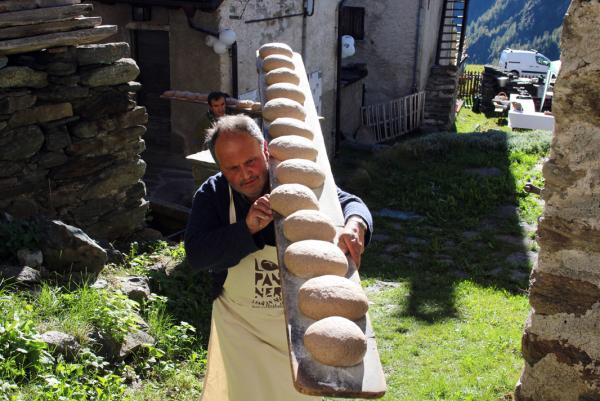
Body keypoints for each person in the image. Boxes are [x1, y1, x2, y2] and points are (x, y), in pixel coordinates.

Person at [184, 114, 373, 401]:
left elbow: (346, 202)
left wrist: (357, 221)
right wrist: (246, 229)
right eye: (232, 168)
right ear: (220, 167)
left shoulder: (291, 180)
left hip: (299, 326)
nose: (245, 174)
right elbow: (197, 255)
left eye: (251, 162)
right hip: (241, 325)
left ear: (265, 150)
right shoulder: (212, 195)